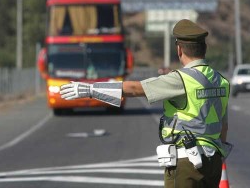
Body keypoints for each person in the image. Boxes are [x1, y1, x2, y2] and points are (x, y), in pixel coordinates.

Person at [60, 19, 231, 188]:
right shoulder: (221, 81)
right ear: (204, 48)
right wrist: (219, 156)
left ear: (179, 49)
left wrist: (91, 89)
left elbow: (135, 88)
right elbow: (223, 126)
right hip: (213, 162)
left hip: (187, 163)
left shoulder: (181, 79)